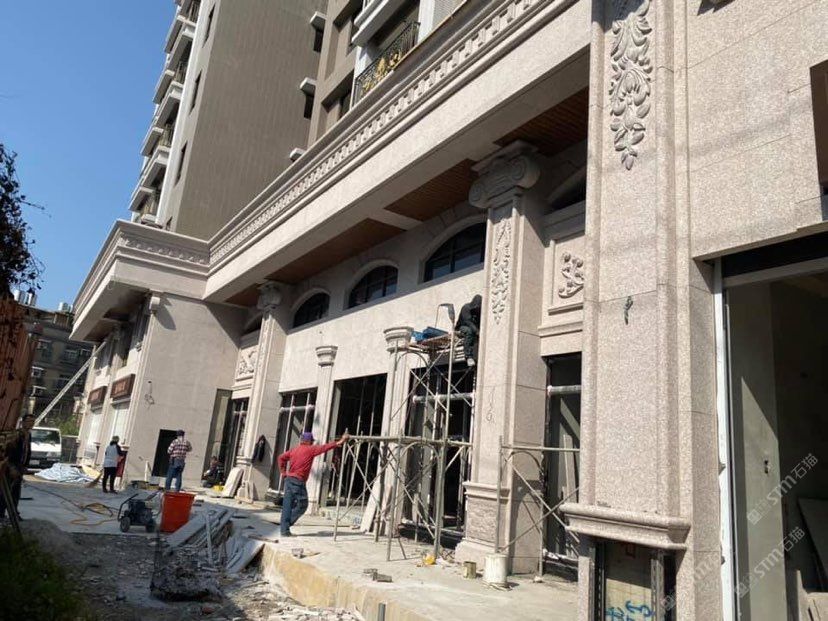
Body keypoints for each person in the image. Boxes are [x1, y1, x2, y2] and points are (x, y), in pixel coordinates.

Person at [277, 431, 349, 536]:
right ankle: (286, 525)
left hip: (289, 480)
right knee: (303, 505)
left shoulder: (294, 450)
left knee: (287, 505)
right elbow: (324, 448)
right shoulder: (310, 449)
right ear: (309, 441)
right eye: (312, 441)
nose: (312, 443)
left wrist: (283, 473)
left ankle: (284, 530)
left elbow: (281, 457)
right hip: (298, 481)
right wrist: (340, 441)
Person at [0, 414, 33, 521]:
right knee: (5, 492)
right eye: (28, 421)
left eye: (32, 421)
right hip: (11, 467)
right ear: (23, 422)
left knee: (16, 492)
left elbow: (27, 452)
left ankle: (14, 514)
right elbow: (8, 453)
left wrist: (25, 465)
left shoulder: (28, 435)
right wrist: (11, 467)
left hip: (20, 467)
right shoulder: (17, 435)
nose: (31, 423)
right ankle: (1, 513)